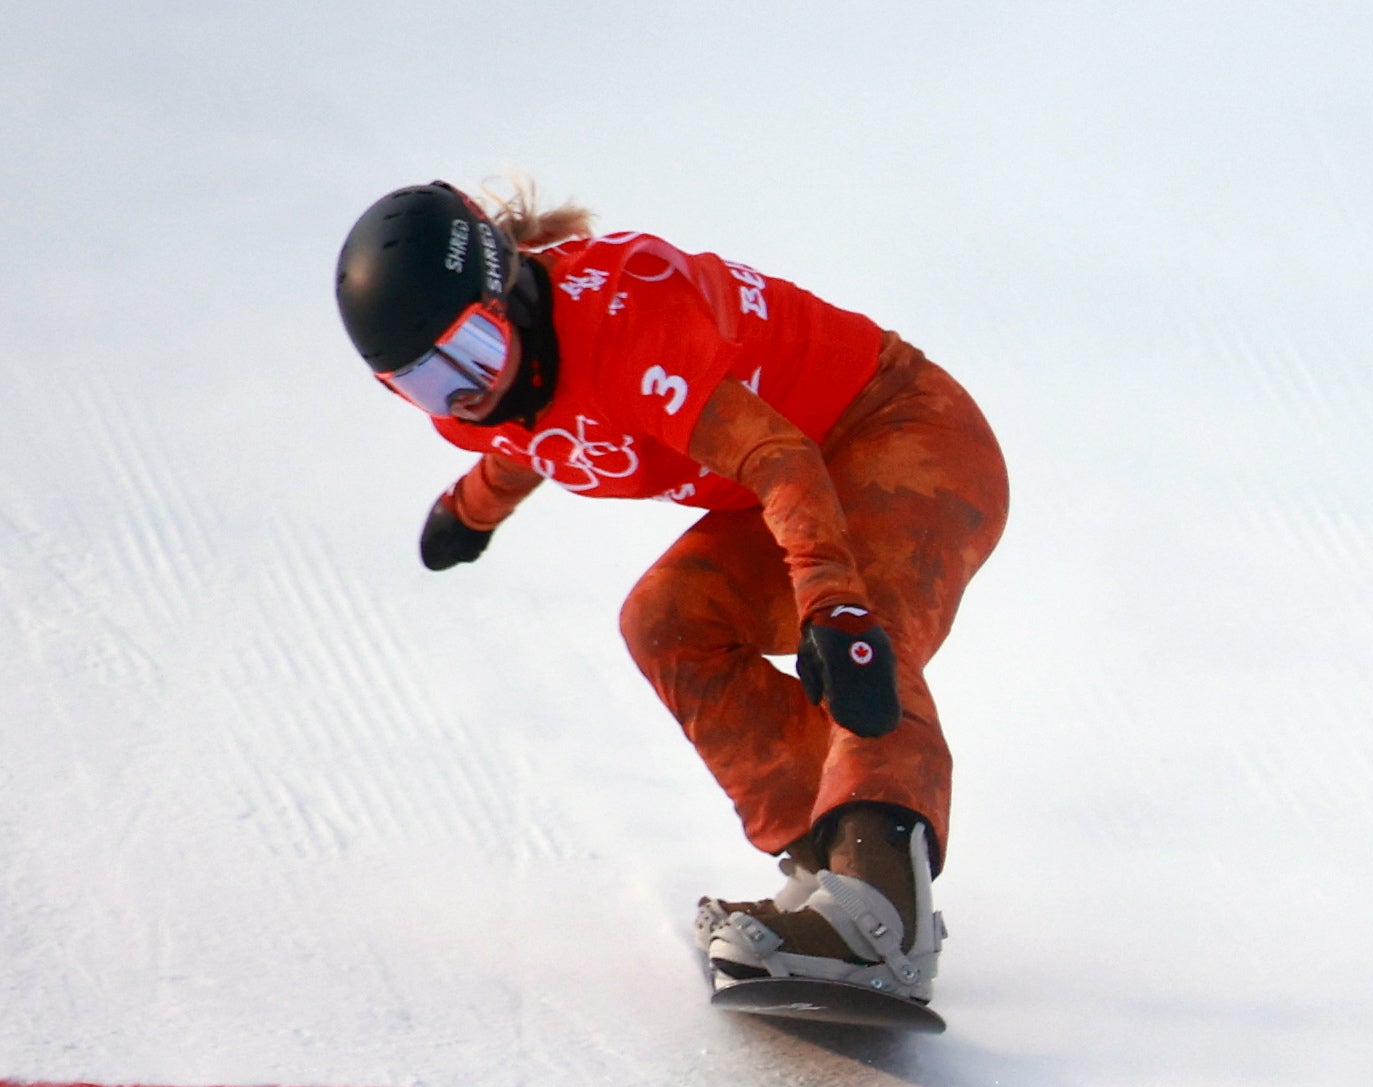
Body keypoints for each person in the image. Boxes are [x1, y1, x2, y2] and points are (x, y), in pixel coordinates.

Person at [335, 181, 1006, 1027]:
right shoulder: (484, 402)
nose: (467, 393)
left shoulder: (630, 326)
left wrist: (832, 604)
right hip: (802, 472)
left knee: (858, 627)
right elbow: (535, 428)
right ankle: (836, 868)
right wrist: (471, 509)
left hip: (905, 433)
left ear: (508, 290)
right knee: (664, 619)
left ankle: (881, 918)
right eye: (425, 383)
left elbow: (779, 459)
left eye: (472, 350)